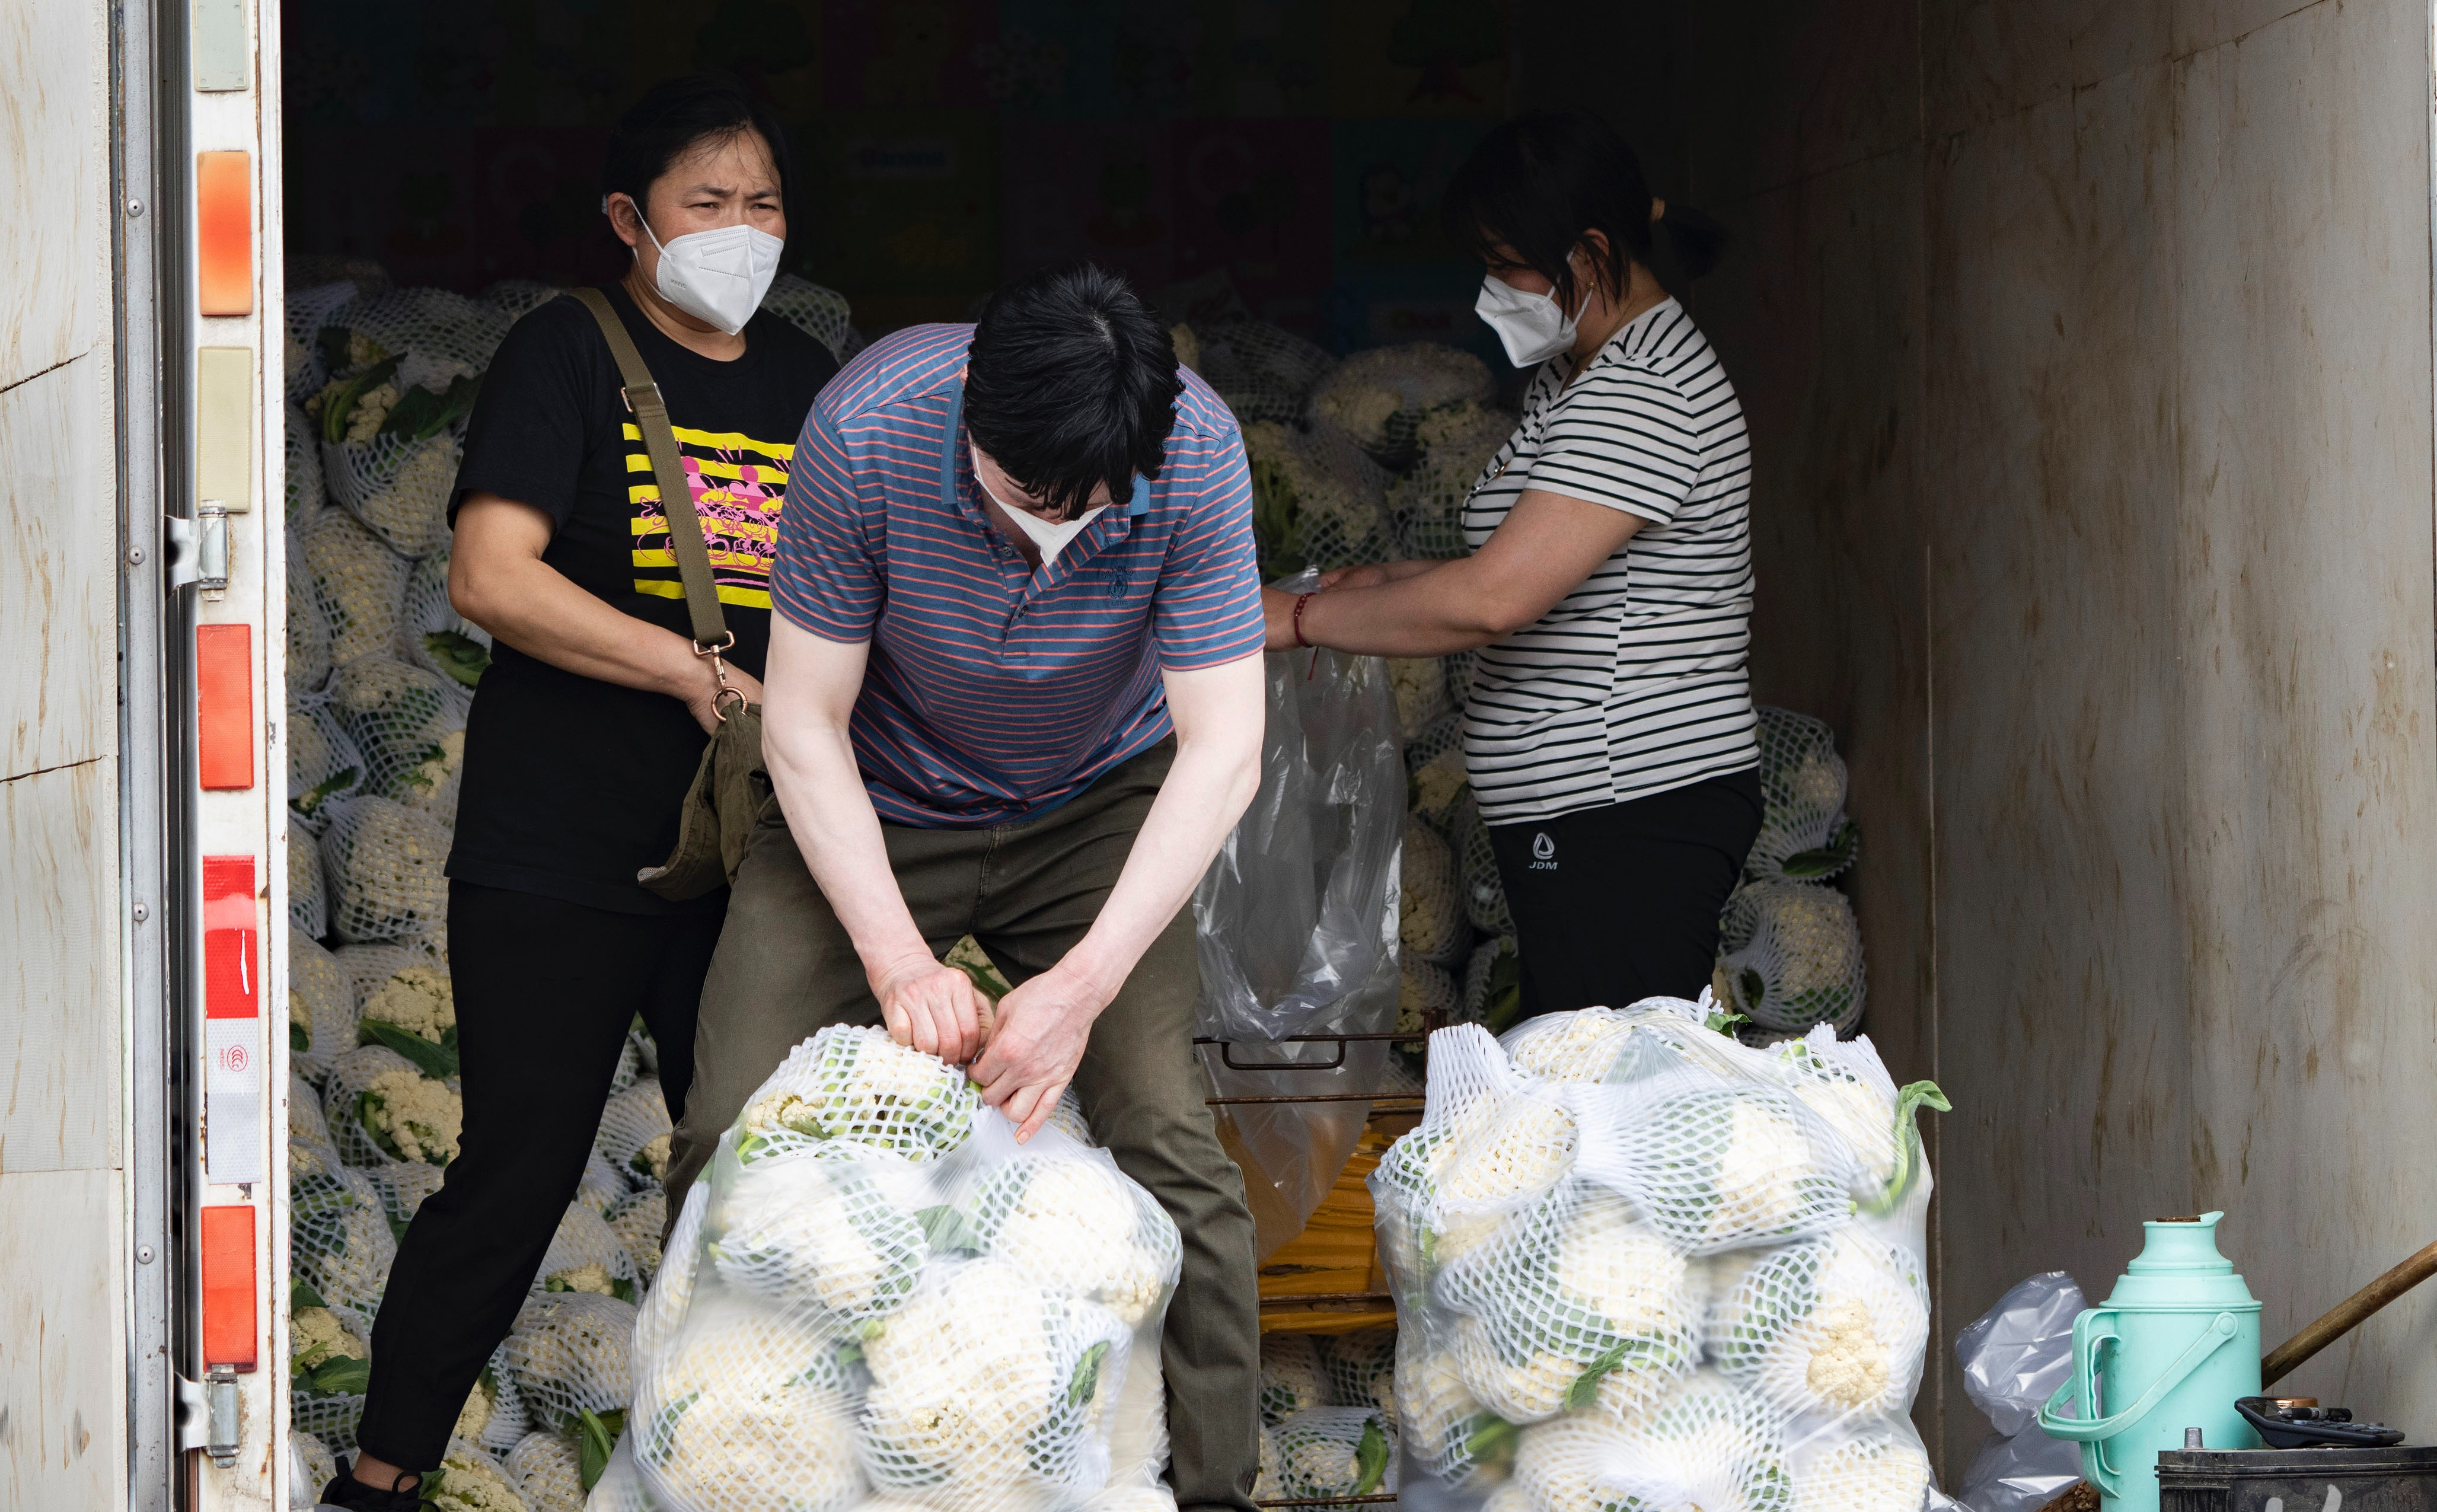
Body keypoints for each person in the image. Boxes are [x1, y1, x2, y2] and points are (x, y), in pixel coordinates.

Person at [663, 263, 1269, 1511]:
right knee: (727, 1120)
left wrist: (1085, 986)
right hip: (874, 797)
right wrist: (895, 960)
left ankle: (1215, 1491)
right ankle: (724, 1459)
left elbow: (1226, 748)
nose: (1050, 530)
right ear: (972, 418)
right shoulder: (868, 427)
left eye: (1085, 509)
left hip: (1097, 805)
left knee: (1172, 1145)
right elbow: (804, 728)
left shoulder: (1197, 451)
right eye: (1021, 497)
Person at [327, 73, 840, 1507]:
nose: (741, 230)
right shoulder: (566, 353)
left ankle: (763, 1469)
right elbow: (492, 578)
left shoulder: (811, 385)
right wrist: (689, 671)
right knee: (516, 1174)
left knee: (768, 1181)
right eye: (707, 205)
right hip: (557, 847)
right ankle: (380, 1481)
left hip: (751, 860)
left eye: (764, 205)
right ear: (631, 220)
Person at [1264, 110, 1761, 1022]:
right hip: (1587, 808)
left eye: (1504, 264)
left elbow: (1497, 597)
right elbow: (1541, 560)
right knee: (1578, 1077)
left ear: (1588, 252)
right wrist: (1390, 583)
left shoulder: (1639, 392)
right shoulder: (1578, 374)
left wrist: (1291, 620)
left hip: (1628, 803)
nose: (1490, 289)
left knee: (1615, 1093)